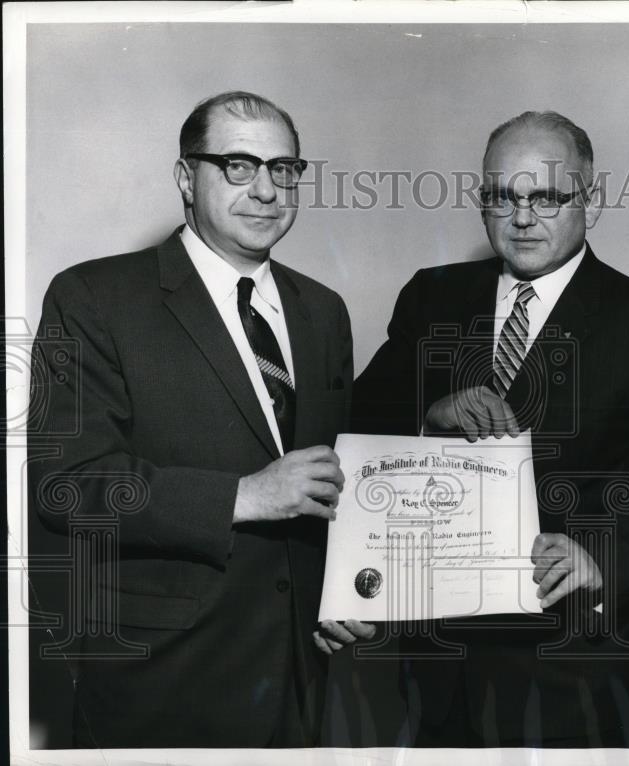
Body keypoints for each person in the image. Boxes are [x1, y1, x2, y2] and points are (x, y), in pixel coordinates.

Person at [351, 110, 629, 748]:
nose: (522, 217)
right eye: (502, 197)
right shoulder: (431, 295)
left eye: (546, 196)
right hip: (439, 650)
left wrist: (601, 557)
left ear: (590, 204)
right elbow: (359, 424)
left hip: (573, 658)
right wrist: (431, 411)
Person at [28, 91, 373, 748]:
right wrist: (244, 495)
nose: (266, 190)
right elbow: (65, 486)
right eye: (238, 167)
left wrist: (350, 594)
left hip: (302, 678)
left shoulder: (322, 312)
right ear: (187, 178)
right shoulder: (93, 297)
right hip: (162, 683)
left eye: (284, 169)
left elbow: (333, 482)